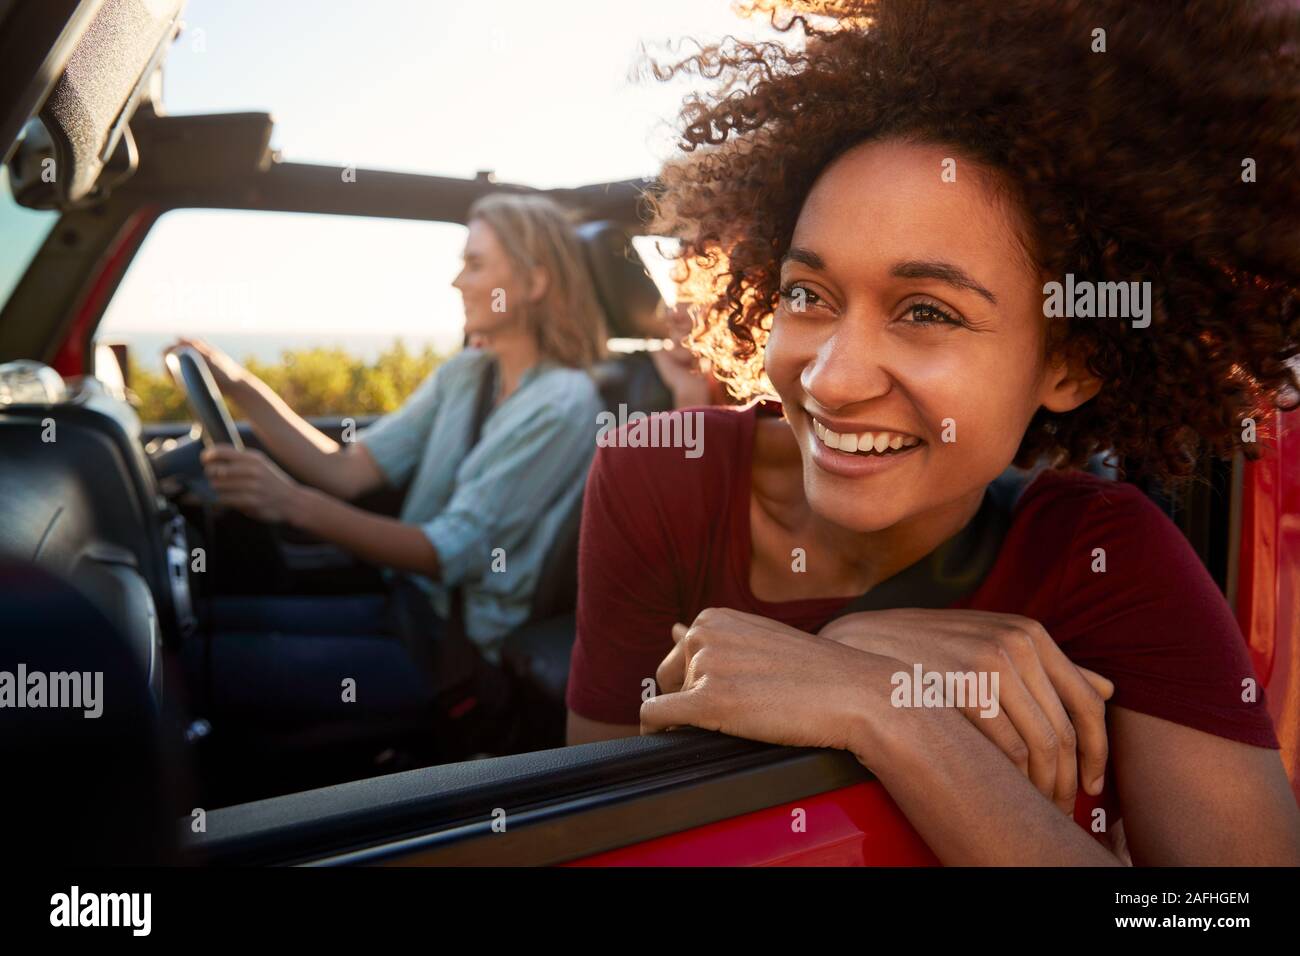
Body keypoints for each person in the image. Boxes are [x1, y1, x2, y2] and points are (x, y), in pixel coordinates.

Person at [564, 0, 1300, 864]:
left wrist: (889, 705)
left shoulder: (1107, 559)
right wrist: (847, 654)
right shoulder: (662, 479)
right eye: (808, 294)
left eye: (926, 311)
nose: (832, 378)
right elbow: (591, 829)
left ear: (1070, 364)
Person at [167, 193, 606, 739]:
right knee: (187, 635)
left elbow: (448, 553)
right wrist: (238, 385)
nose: (457, 282)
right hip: (408, 606)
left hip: (455, 651)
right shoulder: (468, 373)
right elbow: (347, 470)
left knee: (187, 675)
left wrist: (288, 501)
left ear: (535, 283)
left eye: (475, 264)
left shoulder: (563, 405)